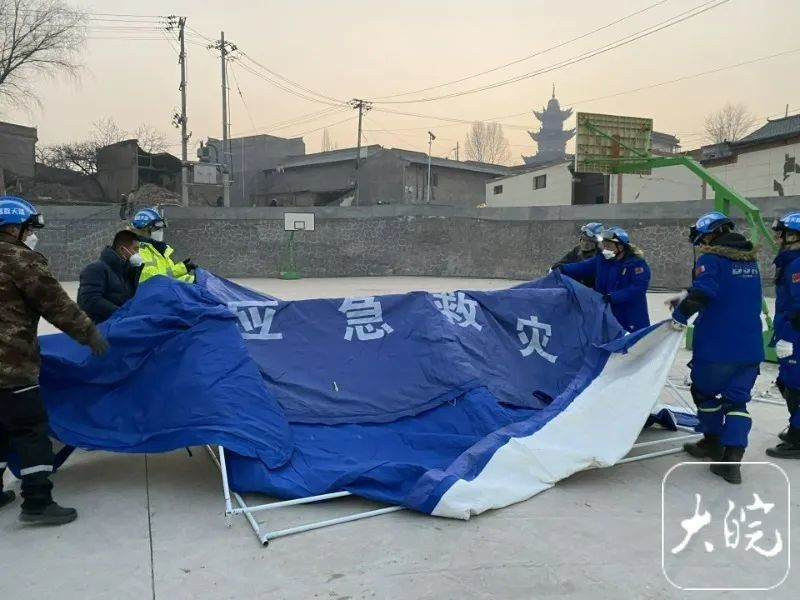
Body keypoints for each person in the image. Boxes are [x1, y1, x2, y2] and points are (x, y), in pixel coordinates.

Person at [0, 196, 109, 525]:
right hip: (10, 365)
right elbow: (56, 304)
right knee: (31, 429)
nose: (31, 235)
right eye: (30, 228)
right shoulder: (20, 259)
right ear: (16, 227)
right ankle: (36, 501)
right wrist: (89, 333)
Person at [668, 211, 763, 484]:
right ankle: (732, 460)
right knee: (737, 401)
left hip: (718, 347)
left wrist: (679, 316)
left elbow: (706, 291)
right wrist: (686, 296)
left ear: (710, 234)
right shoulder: (750, 261)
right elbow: (727, 291)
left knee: (704, 394)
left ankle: (712, 442)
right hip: (749, 347)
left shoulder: (711, 259)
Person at [557, 226, 651, 333]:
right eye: (604, 246)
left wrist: (613, 297)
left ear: (620, 247)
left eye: (609, 246)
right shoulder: (602, 260)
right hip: (607, 313)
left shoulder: (636, 264)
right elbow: (582, 267)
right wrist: (562, 268)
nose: (605, 249)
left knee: (632, 347)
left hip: (630, 317)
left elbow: (638, 288)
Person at [766, 211, 800, 459]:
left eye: (782, 234)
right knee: (787, 382)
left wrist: (789, 336)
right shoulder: (790, 261)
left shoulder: (797, 263)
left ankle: (798, 438)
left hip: (795, 334)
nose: (777, 239)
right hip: (788, 330)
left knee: (795, 385)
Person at [77, 230, 144, 324]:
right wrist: (121, 313)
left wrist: (137, 269)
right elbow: (91, 300)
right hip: (100, 328)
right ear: (122, 249)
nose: (138, 253)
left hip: (120, 324)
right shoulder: (95, 269)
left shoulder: (126, 270)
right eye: (136, 249)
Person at [129, 208, 197, 284]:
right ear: (144, 230)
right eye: (157, 229)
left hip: (164, 294)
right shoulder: (136, 252)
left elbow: (169, 278)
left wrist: (183, 270)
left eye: (161, 229)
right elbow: (152, 282)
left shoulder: (159, 250)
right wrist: (182, 273)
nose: (160, 232)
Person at [551, 222, 603, 287]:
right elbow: (563, 261)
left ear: (596, 243)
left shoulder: (600, 256)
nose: (585, 244)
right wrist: (556, 267)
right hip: (571, 286)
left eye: (590, 241)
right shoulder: (577, 250)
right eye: (584, 240)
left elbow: (582, 269)